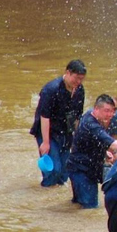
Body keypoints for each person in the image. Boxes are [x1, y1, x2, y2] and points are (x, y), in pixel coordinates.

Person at [30, 59, 87, 187]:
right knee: (53, 170)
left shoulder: (79, 90)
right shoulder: (51, 90)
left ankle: (54, 198)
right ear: (68, 72)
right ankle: (45, 194)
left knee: (64, 172)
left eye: (81, 79)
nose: (78, 82)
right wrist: (45, 142)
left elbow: (77, 116)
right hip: (48, 132)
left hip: (66, 132)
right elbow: (45, 117)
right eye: (76, 78)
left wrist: (76, 140)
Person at [66, 95, 117, 209]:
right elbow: (112, 143)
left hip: (83, 168)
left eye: (112, 111)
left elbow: (92, 141)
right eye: (107, 111)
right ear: (96, 109)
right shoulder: (91, 124)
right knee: (90, 208)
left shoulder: (92, 116)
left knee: (79, 205)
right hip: (81, 171)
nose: (110, 115)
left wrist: (103, 152)